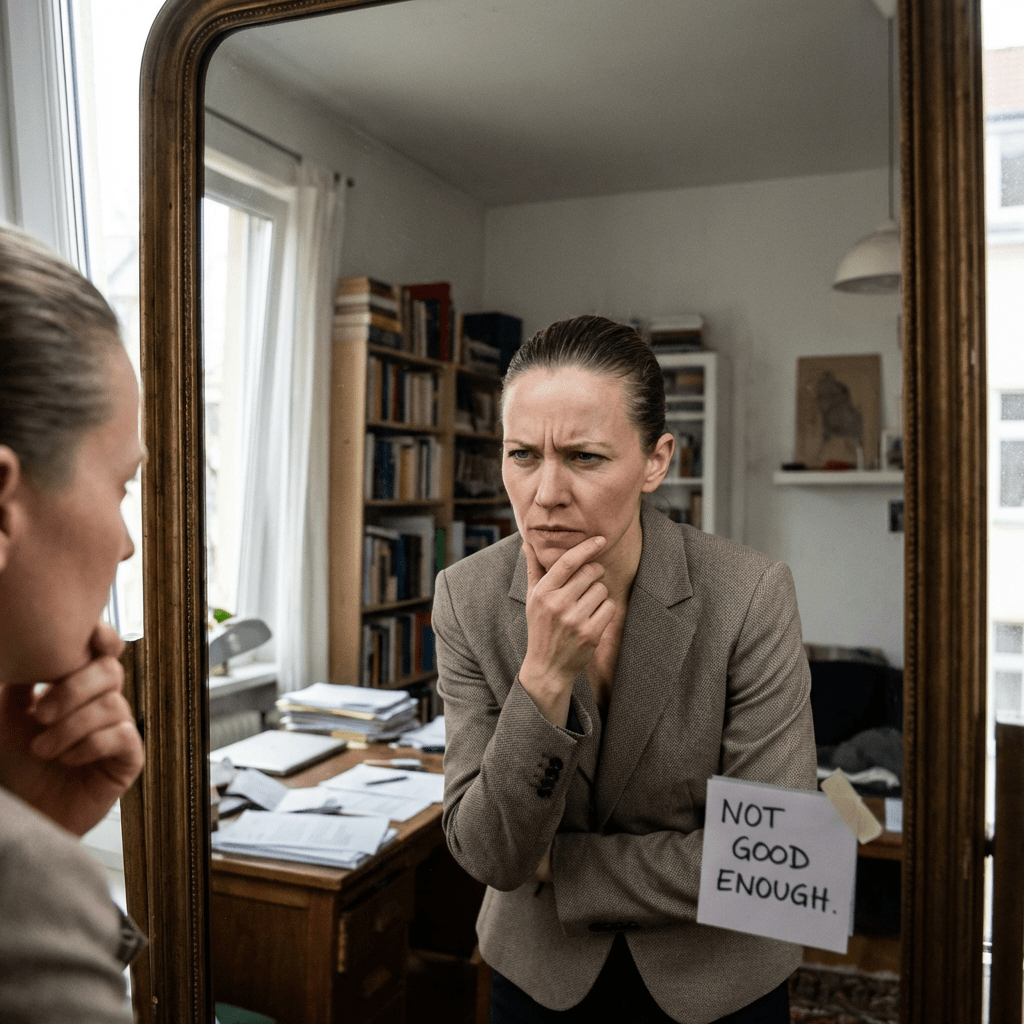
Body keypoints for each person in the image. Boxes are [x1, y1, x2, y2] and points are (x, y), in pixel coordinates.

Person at [434, 315, 816, 1024]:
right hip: (540, 976)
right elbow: (488, 853)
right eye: (523, 454)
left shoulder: (751, 593)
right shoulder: (468, 597)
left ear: (656, 460)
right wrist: (543, 681)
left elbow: (776, 858)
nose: (546, 492)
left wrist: (564, 869)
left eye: (584, 457)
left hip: (717, 978)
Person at [0, 225, 146, 1022]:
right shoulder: (19, 889)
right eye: (122, 486)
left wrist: (35, 825)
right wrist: (35, 867)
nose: (126, 544)